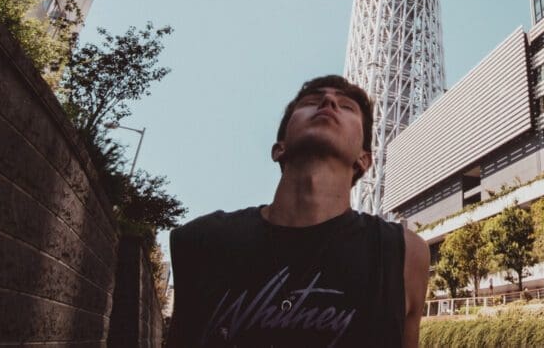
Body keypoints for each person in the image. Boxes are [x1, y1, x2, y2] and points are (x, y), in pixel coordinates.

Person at [167, 75, 430, 347]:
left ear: (364, 159)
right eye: (311, 102)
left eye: (347, 106)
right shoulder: (204, 240)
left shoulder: (403, 254)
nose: (328, 102)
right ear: (279, 148)